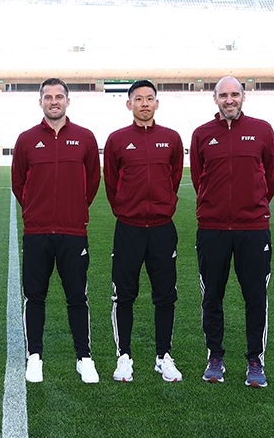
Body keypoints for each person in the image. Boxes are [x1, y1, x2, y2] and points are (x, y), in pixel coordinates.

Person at [190, 76, 274, 388]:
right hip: (212, 230)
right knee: (212, 296)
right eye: (223, 95)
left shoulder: (262, 130)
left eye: (234, 94)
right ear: (215, 99)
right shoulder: (202, 134)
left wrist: (253, 204)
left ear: (243, 97)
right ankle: (215, 357)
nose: (229, 100)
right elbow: (199, 178)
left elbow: (272, 174)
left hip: (253, 230)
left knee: (255, 297)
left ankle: (255, 360)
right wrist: (214, 206)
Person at [12, 77, 101, 384]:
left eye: (59, 96)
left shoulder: (86, 138)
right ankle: (34, 356)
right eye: (47, 96)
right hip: (37, 232)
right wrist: (34, 213)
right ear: (40, 102)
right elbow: (19, 184)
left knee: (77, 297)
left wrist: (75, 208)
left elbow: (91, 183)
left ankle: (84, 358)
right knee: (34, 297)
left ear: (67, 101)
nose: (53, 101)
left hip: (73, 231)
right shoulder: (26, 140)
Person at [103, 80, 184, 383]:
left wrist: (163, 204)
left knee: (165, 296)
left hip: (162, 229)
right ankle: (124, 356)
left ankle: (164, 357)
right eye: (139, 99)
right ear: (129, 104)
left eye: (150, 98)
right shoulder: (117, 140)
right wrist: (125, 208)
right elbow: (111, 184)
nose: (145, 103)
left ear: (157, 103)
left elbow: (174, 178)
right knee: (124, 296)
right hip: (129, 229)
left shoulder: (172, 139)